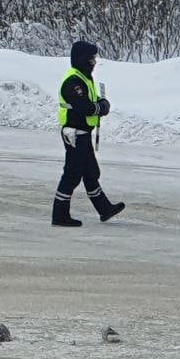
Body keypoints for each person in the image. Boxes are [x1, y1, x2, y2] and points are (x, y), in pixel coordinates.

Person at [53, 40, 125, 227]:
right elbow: (85, 107)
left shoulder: (83, 78)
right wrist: (101, 107)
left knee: (91, 172)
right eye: (91, 58)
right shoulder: (73, 81)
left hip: (83, 132)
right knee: (72, 174)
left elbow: (91, 100)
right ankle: (59, 215)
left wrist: (101, 103)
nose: (94, 62)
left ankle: (104, 208)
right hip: (74, 133)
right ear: (83, 59)